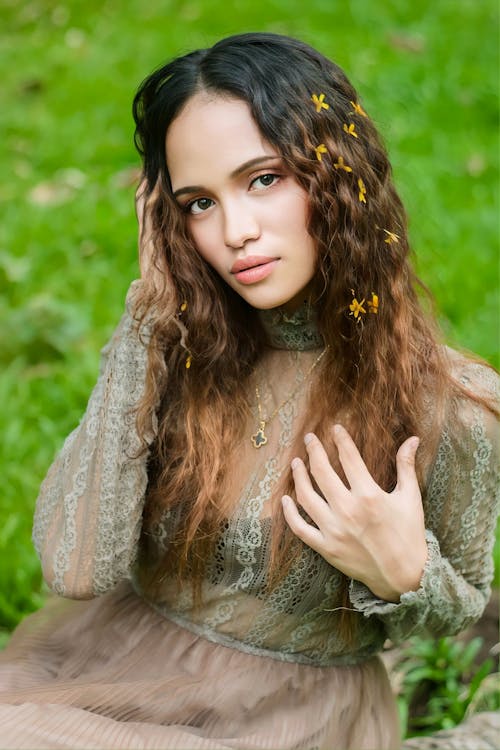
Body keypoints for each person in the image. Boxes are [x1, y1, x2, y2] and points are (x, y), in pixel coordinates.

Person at [0, 31, 498, 750]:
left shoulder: (452, 404)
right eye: (198, 203)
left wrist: (403, 570)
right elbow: (77, 567)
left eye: (264, 179)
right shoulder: (180, 352)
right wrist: (146, 321)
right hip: (110, 676)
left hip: (286, 721)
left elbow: (456, 609)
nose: (234, 231)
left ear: (336, 172)